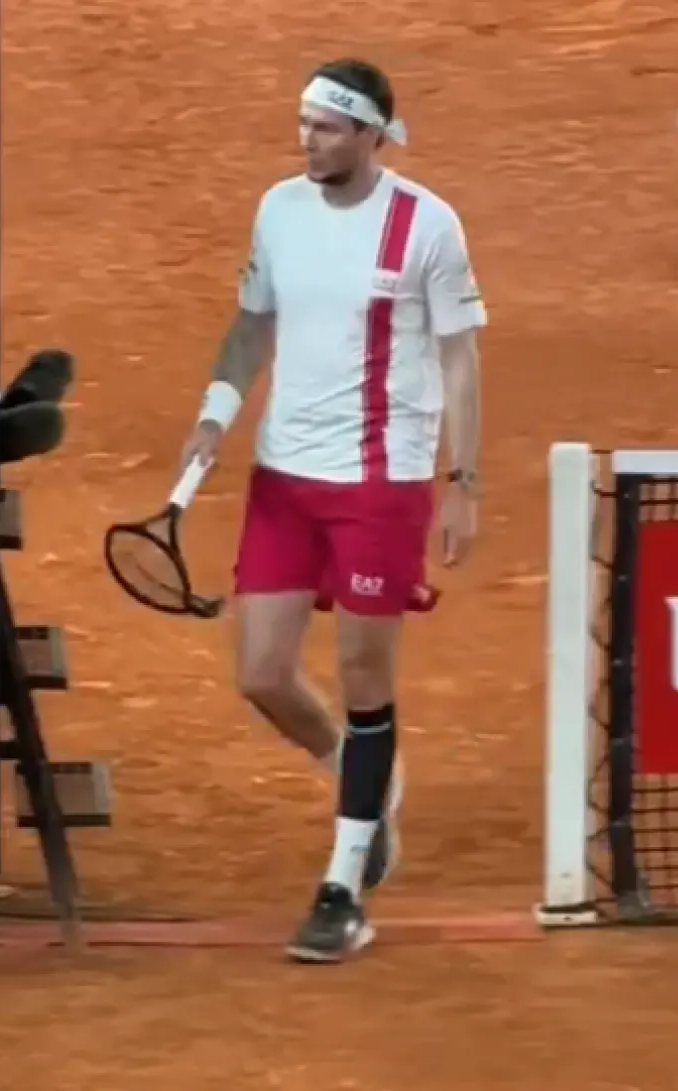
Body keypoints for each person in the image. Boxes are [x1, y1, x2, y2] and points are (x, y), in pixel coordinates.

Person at [179, 58, 486, 962]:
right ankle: (363, 784)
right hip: (284, 476)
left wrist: (463, 480)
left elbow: (461, 357)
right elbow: (252, 324)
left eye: (325, 127)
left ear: (371, 135)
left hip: (380, 482)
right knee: (262, 673)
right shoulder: (279, 210)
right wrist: (215, 412)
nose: (306, 139)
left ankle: (343, 887)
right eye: (304, 123)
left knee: (362, 674)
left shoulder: (426, 225)